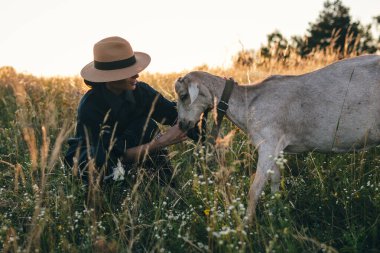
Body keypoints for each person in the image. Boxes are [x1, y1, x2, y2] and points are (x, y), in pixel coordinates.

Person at [64, 36, 203, 186]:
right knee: (97, 159)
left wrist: (207, 102)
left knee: (145, 125)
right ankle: (118, 192)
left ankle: (163, 185)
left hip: (137, 155)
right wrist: (160, 142)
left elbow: (175, 115)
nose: (137, 75)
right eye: (128, 71)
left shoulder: (141, 91)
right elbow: (111, 158)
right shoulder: (90, 107)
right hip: (100, 166)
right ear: (110, 78)